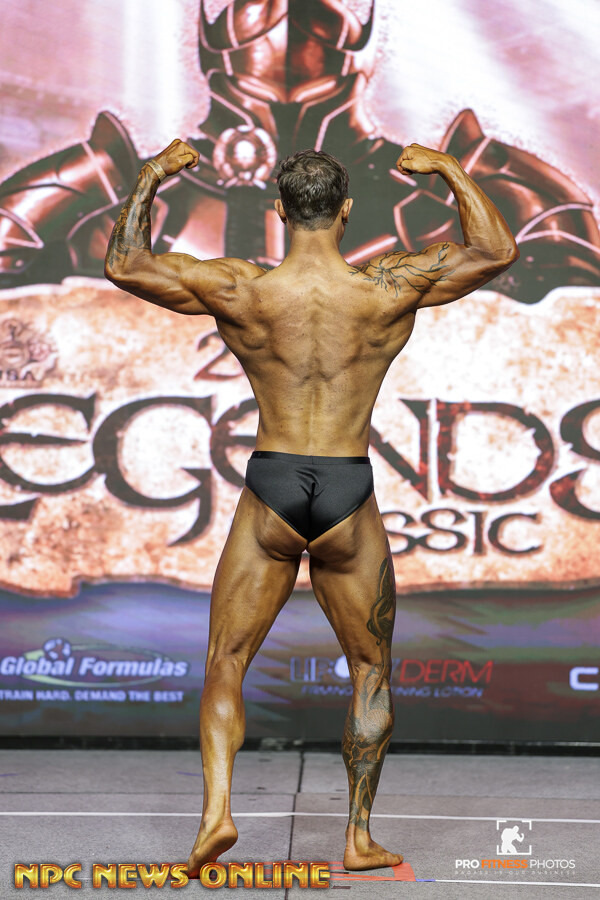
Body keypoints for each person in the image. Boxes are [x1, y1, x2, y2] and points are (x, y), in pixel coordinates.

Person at [104, 140, 518, 874]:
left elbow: (126, 264)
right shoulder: (387, 286)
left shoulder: (242, 288)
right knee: (369, 667)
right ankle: (357, 838)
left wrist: (152, 175)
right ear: (346, 210)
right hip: (348, 486)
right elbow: (495, 250)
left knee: (227, 660)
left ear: (279, 211)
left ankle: (216, 815)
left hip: (273, 483)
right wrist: (450, 171)